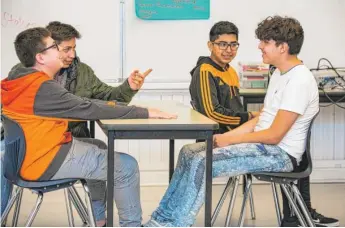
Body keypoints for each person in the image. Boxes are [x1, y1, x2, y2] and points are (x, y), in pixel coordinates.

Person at [144, 15, 319, 227]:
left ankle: (173, 224)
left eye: (265, 42)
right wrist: (227, 137)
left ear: (282, 47)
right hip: (262, 147)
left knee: (201, 161)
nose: (260, 46)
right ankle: (160, 220)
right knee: (189, 152)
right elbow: (261, 120)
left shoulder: (299, 80)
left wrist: (232, 141)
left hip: (279, 155)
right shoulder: (279, 74)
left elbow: (274, 135)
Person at [1, 27, 176, 227]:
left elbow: (94, 102)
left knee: (98, 146)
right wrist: (144, 112)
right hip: (44, 160)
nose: (64, 53)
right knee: (126, 166)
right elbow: (88, 107)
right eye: (56, 47)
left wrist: (129, 95)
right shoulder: (43, 87)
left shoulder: (18, 80)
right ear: (40, 57)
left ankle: (98, 218)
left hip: (28, 156)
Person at [189, 21, 259, 134]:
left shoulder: (231, 70)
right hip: (216, 139)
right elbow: (211, 113)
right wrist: (249, 116)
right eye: (222, 44)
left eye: (233, 45)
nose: (228, 50)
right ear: (210, 45)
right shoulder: (205, 71)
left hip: (237, 134)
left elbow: (236, 108)